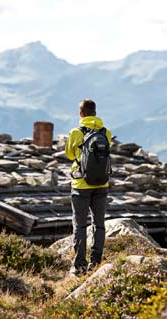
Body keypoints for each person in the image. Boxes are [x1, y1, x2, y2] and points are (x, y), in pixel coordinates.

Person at [65, 99, 112, 275]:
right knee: (99, 223)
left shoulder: (76, 133)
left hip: (80, 185)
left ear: (81, 113)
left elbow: (70, 154)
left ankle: (79, 265)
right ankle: (96, 261)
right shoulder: (106, 133)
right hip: (102, 183)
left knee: (79, 224)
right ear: (95, 112)